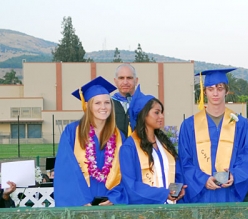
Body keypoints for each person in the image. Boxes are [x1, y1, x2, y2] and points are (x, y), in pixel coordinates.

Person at [178, 68, 248, 203]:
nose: (215, 93)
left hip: (228, 194)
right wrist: (202, 179)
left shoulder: (240, 124)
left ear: (226, 91)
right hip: (200, 195)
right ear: (204, 92)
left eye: (220, 88)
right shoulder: (189, 125)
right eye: (210, 88)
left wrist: (234, 175)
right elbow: (184, 160)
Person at [54, 76, 127, 206]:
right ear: (87, 106)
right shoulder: (72, 132)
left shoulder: (119, 136)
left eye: (107, 102)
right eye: (97, 103)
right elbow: (66, 169)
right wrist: (81, 200)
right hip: (81, 202)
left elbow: (128, 171)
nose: (103, 107)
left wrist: (115, 198)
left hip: (109, 202)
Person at [119, 86, 186, 204]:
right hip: (145, 214)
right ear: (143, 115)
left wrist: (178, 190)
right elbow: (131, 186)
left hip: (171, 211)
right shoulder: (129, 148)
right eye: (156, 113)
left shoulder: (164, 144)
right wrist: (163, 194)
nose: (161, 116)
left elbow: (177, 173)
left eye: (161, 112)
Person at [112, 63, 138, 137]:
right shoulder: (108, 104)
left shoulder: (145, 104)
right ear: (115, 81)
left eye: (129, 78)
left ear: (136, 80)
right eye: (121, 78)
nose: (125, 82)